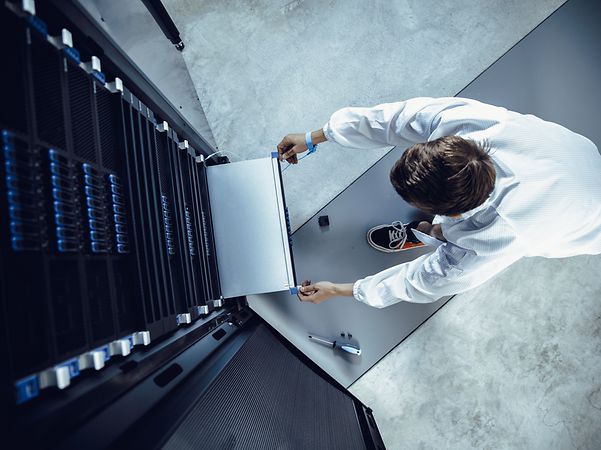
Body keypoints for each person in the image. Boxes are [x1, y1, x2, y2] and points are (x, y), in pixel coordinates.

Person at [277, 97, 601, 307]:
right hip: (581, 158)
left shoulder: (500, 234)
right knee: (448, 233)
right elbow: (392, 120)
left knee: (451, 243)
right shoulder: (467, 124)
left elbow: (422, 282)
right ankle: (433, 231)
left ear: (454, 212)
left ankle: (436, 235)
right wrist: (314, 136)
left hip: (587, 219)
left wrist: (340, 289)